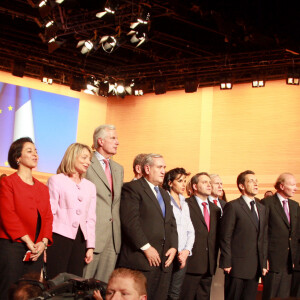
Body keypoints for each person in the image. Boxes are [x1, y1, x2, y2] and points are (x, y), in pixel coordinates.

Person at [119, 153, 178, 300]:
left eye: (164, 167)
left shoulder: (164, 194)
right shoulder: (132, 188)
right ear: (147, 168)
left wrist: (173, 247)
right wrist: (145, 247)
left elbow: (171, 224)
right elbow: (130, 222)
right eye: (159, 167)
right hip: (140, 260)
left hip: (163, 263)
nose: (163, 171)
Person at [0, 137, 53, 300]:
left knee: (31, 292)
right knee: (8, 290)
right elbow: (7, 214)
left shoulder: (42, 188)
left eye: (36, 151)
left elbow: (48, 217)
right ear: (18, 157)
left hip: (36, 250)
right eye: (29, 151)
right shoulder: (8, 183)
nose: (35, 154)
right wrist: (28, 242)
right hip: (12, 246)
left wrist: (43, 243)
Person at [47, 143, 97, 278]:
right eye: (84, 158)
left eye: (89, 159)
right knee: (55, 279)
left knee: (74, 281)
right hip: (58, 237)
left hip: (80, 240)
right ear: (72, 156)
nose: (88, 162)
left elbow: (91, 218)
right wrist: (44, 241)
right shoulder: (56, 180)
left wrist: (90, 246)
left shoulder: (90, 186)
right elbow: (50, 213)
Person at [83, 124, 124, 283]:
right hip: (91, 236)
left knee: (102, 288)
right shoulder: (86, 161)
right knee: (82, 285)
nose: (117, 142)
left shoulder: (118, 168)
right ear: (100, 141)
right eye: (113, 138)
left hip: (113, 239)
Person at [219, 170, 268, 300]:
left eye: (256, 181)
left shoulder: (262, 208)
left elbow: (263, 238)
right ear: (241, 186)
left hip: (255, 267)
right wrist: (226, 261)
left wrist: (263, 263)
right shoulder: (233, 206)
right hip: (236, 267)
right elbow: (225, 237)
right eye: (251, 181)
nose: (256, 184)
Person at [180, 172, 221, 300]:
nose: (209, 185)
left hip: (208, 265)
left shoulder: (216, 209)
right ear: (195, 186)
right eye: (204, 182)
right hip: (191, 263)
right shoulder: (185, 204)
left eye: (209, 182)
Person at [261, 173, 299, 300]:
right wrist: (264, 259)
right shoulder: (267, 203)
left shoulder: (295, 206)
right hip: (272, 262)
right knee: (270, 296)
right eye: (292, 185)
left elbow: (295, 234)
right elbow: (263, 233)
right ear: (282, 186)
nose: (296, 188)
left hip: (289, 263)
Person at [162, 168, 195, 300]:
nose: (183, 184)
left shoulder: (185, 203)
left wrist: (187, 251)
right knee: (162, 291)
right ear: (170, 183)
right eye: (180, 181)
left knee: (175, 293)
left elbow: (190, 231)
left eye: (185, 181)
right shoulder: (163, 199)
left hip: (182, 255)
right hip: (167, 252)